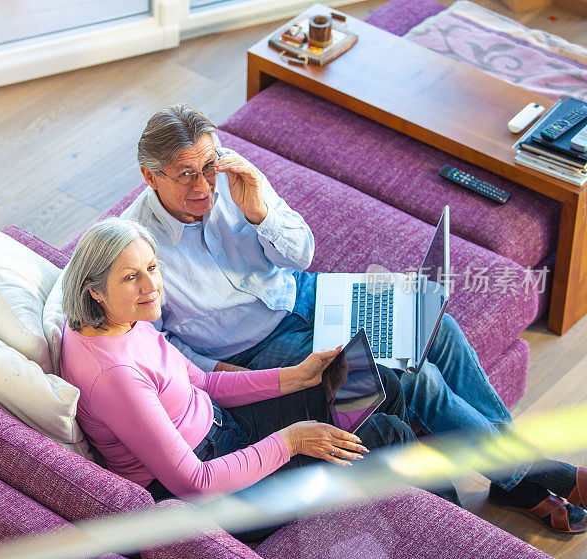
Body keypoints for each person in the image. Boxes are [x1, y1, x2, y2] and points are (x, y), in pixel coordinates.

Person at [119, 103, 587, 534]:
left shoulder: (232, 173)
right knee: (412, 374)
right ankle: (540, 477)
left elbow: (301, 255)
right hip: (256, 348)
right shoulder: (137, 246)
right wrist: (222, 374)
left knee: (436, 326)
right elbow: (154, 343)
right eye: (185, 175)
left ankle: (517, 483)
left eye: (207, 167)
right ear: (150, 176)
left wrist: (260, 212)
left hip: (305, 293)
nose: (203, 186)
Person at [59, 218, 433, 540]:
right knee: (387, 434)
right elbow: (195, 482)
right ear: (95, 291)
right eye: (130, 277)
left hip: (223, 427)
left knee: (382, 384)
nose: (151, 285)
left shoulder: (119, 321)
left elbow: (203, 383)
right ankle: (452, 532)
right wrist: (291, 442)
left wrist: (296, 377)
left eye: (152, 267)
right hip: (218, 495)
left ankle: (404, 515)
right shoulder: (114, 376)